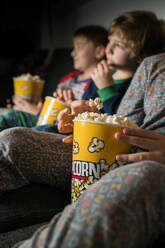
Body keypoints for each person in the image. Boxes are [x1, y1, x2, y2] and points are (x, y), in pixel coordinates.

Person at [0, 10, 164, 132]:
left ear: (142, 55)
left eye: (119, 46)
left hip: (93, 136)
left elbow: (120, 121)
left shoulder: (137, 83)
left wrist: (107, 89)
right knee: (6, 116)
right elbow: (83, 109)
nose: (109, 49)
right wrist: (71, 104)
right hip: (74, 127)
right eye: (110, 42)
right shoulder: (99, 75)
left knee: (29, 132)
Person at [12, 128, 165, 248]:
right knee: (14, 140)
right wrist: (94, 120)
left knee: (143, 176)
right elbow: (128, 118)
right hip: (121, 147)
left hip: (152, 167)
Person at [0, 25, 108, 132]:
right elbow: (53, 104)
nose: (73, 53)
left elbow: (94, 117)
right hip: (46, 117)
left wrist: (38, 111)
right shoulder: (67, 79)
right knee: (6, 113)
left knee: (29, 129)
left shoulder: (101, 82)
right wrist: (38, 107)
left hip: (64, 126)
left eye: (79, 47)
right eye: (74, 47)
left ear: (99, 52)